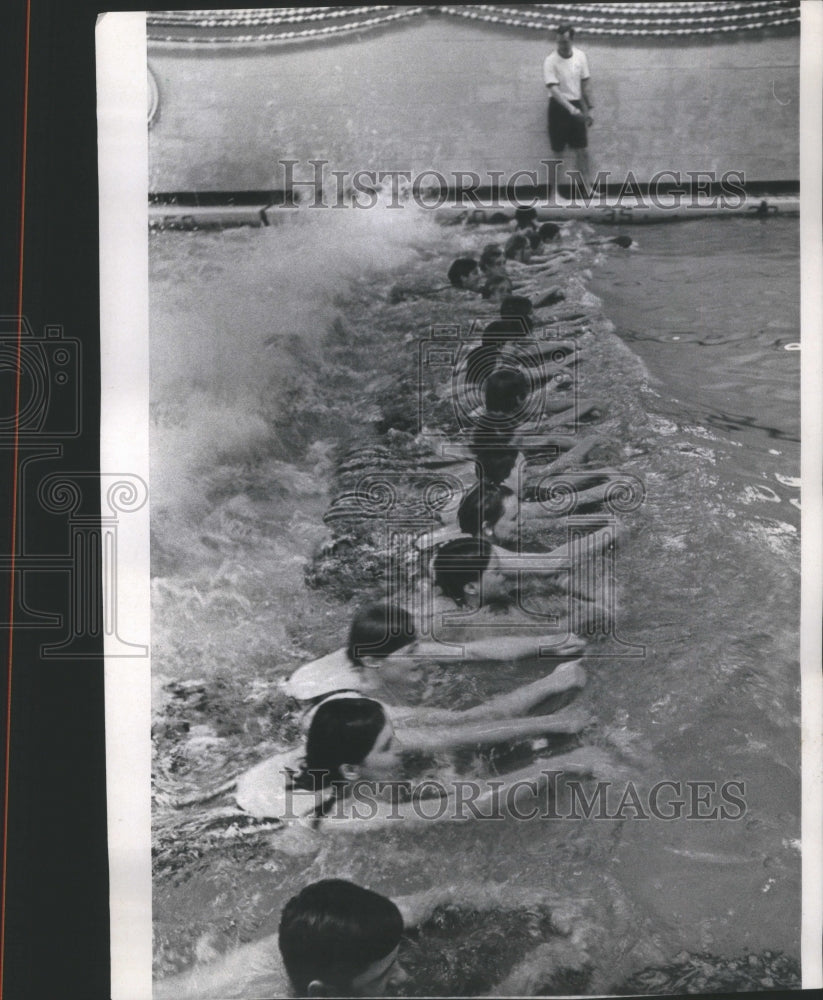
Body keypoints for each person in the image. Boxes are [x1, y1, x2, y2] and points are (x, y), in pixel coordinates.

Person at [544, 24, 594, 186]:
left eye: (565, 42)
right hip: (558, 107)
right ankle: (552, 194)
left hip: (576, 104)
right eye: (559, 43)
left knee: (582, 151)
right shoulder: (550, 61)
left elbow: (585, 85)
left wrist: (590, 108)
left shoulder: (580, 56)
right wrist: (572, 110)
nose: (562, 46)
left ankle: (587, 189)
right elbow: (554, 90)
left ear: (572, 40)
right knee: (558, 153)